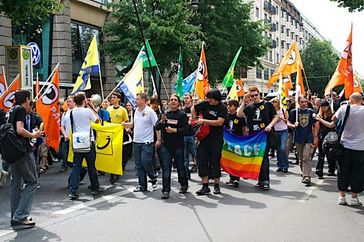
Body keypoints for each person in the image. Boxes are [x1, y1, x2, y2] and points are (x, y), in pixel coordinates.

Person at [316, 92, 364, 206]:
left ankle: (342, 196)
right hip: (360, 147)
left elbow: (332, 122)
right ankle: (354, 197)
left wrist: (320, 119)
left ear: (351, 100)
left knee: (343, 171)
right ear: (361, 100)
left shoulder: (343, 108)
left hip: (345, 145)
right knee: (357, 172)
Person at [8, 89, 43, 229]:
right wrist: (34, 135)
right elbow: (20, 130)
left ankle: (15, 215)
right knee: (32, 182)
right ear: (27, 99)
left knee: (16, 183)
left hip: (12, 151)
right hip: (22, 151)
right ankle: (21, 215)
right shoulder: (21, 110)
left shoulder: (12, 110)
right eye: (30, 100)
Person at [237, 86, 279, 190]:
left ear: (259, 94)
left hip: (265, 134)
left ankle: (265, 181)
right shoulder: (250, 107)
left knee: (263, 157)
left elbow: (276, 116)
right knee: (257, 158)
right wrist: (244, 101)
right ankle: (260, 180)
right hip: (254, 136)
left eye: (256, 95)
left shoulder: (267, 104)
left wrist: (270, 125)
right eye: (252, 96)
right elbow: (239, 114)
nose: (254, 97)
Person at [191, 89, 227, 195]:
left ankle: (216, 185)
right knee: (202, 160)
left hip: (216, 138)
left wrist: (204, 121)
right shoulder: (205, 104)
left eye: (211, 98)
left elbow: (219, 122)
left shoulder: (222, 108)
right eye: (208, 98)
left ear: (217, 99)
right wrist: (195, 118)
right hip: (203, 137)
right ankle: (205, 185)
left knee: (215, 161)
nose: (209, 100)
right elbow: (194, 108)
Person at [123, 93, 159, 192]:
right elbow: (132, 124)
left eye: (138, 99)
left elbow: (157, 126)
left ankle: (153, 176)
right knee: (138, 164)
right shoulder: (134, 111)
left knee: (145, 162)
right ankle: (142, 185)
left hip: (147, 142)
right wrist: (125, 124)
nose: (136, 101)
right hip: (136, 141)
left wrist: (158, 140)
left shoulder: (150, 111)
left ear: (143, 100)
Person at [68, 92, 101, 200]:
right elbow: (97, 120)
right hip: (88, 141)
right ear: (84, 101)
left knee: (76, 167)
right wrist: (91, 107)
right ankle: (95, 187)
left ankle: (73, 190)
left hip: (77, 142)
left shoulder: (72, 112)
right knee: (91, 166)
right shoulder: (87, 111)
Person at [156, 94, 189, 199]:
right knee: (166, 168)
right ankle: (166, 190)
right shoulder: (164, 114)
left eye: (175, 100)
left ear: (178, 102)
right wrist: (162, 121)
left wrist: (174, 130)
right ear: (169, 102)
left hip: (178, 145)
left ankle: (184, 184)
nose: (173, 101)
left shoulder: (182, 115)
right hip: (166, 146)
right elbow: (157, 127)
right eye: (171, 100)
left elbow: (186, 130)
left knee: (180, 166)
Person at [287, 95, 319, 186]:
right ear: (298, 103)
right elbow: (288, 122)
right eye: (302, 102)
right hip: (298, 137)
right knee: (301, 157)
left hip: (308, 137)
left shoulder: (310, 111)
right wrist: (293, 125)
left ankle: (307, 176)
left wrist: (315, 136)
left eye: (305, 102)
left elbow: (316, 123)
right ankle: (304, 172)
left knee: (306, 157)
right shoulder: (294, 112)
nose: (304, 103)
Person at [107, 92, 129, 184]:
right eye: (111, 97)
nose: (112, 99)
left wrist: (127, 129)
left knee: (120, 153)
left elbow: (126, 121)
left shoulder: (123, 110)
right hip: (110, 134)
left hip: (120, 134)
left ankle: (120, 168)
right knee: (112, 153)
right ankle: (112, 173)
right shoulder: (108, 109)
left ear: (119, 99)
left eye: (114, 97)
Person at [224, 99, 247, 187]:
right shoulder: (226, 116)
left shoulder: (240, 117)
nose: (228, 107)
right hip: (228, 141)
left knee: (237, 160)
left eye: (230, 105)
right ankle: (231, 177)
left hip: (238, 140)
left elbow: (244, 129)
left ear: (235, 107)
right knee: (230, 160)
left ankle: (236, 178)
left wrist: (245, 139)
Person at [315, 100, 336, 178]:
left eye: (325, 107)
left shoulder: (332, 114)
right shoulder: (319, 114)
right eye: (322, 107)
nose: (324, 108)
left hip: (330, 135)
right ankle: (319, 170)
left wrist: (320, 120)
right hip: (321, 135)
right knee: (321, 153)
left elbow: (331, 125)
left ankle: (331, 169)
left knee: (330, 154)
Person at [271, 98, 289, 173]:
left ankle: (285, 165)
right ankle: (280, 165)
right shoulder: (271, 112)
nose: (273, 103)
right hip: (276, 131)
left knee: (282, 148)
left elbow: (287, 121)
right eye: (272, 102)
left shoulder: (283, 110)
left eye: (275, 102)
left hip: (283, 130)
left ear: (278, 103)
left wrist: (282, 118)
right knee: (278, 149)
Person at [182, 93, 197, 176]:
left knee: (195, 153)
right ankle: (186, 173)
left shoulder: (194, 109)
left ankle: (196, 165)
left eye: (187, 98)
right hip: (184, 135)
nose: (186, 100)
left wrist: (193, 120)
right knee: (185, 155)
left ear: (191, 99)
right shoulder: (182, 110)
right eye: (184, 98)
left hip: (193, 135)